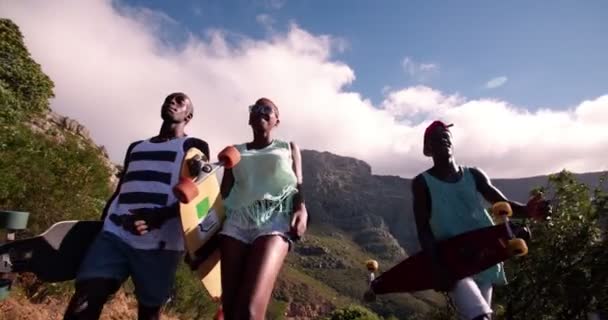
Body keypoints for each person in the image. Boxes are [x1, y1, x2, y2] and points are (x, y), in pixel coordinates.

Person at [63, 92, 209, 320]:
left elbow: (199, 191)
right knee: (86, 296)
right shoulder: (136, 147)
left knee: (149, 312)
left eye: (179, 101)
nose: (171, 102)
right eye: (168, 99)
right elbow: (119, 190)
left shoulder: (192, 146)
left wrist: (160, 216)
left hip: (161, 243)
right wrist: (101, 227)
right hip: (115, 234)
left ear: (188, 115)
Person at [412, 120, 551, 320]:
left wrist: (528, 211)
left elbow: (501, 203)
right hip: (452, 260)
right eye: (436, 137)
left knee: (480, 316)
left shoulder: (474, 175)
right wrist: (435, 266)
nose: (442, 138)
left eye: (446, 136)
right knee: (480, 317)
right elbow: (423, 228)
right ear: (428, 148)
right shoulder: (422, 183)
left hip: (485, 257)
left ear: (452, 143)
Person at [218, 97, 308, 320]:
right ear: (249, 118)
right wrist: (202, 242)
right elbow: (223, 195)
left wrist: (301, 208)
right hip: (236, 222)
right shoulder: (234, 151)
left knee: (250, 311)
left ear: (277, 119)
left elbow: (298, 183)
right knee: (230, 310)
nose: (260, 112)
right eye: (255, 109)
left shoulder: (288, 148)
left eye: (267, 109)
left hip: (274, 220)